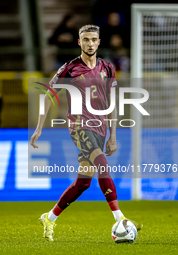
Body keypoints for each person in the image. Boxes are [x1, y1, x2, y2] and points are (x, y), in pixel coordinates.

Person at [30, 24, 142, 242]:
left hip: (100, 129)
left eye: (94, 39)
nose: (90, 43)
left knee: (83, 182)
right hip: (79, 127)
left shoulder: (108, 68)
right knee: (103, 165)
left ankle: (50, 217)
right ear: (79, 42)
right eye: (86, 39)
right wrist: (39, 126)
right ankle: (120, 218)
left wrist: (113, 136)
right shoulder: (69, 68)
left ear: (99, 42)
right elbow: (49, 94)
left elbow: (112, 104)